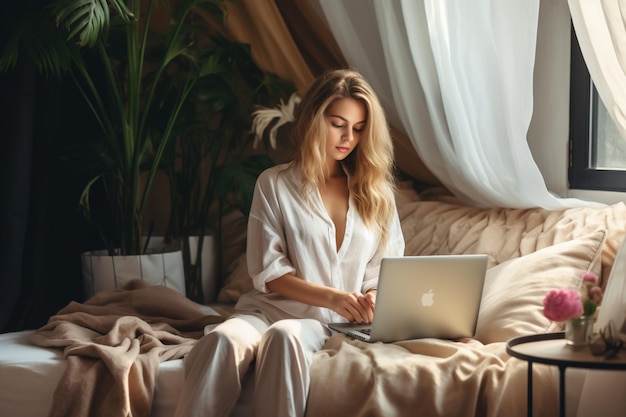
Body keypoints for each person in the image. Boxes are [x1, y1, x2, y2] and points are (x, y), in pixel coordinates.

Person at [173, 68, 405, 417]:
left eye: (358, 129)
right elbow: (269, 272)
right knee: (221, 340)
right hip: (266, 310)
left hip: (323, 323)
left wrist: (368, 302)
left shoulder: (377, 194)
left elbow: (385, 272)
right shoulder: (275, 184)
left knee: (284, 337)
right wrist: (336, 297)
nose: (348, 138)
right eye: (337, 123)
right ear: (314, 119)